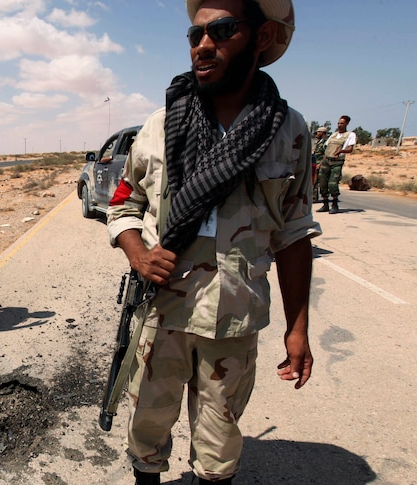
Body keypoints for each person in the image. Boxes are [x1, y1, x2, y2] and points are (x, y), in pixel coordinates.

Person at [106, 1, 320, 483]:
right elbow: (123, 203)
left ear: (261, 37)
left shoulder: (288, 131)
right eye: (194, 34)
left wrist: (298, 327)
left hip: (235, 317)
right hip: (163, 310)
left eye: (221, 30)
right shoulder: (161, 126)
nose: (203, 45)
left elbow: (295, 233)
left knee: (220, 447)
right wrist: (138, 254)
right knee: (147, 431)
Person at [317, 115, 356, 213]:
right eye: (338, 123)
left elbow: (350, 149)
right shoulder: (333, 135)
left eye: (342, 123)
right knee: (322, 183)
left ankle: (335, 204)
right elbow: (326, 148)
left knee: (332, 184)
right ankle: (325, 204)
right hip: (326, 161)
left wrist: (341, 151)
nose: (339, 125)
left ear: (347, 124)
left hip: (337, 162)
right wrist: (321, 162)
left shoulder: (350, 135)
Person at [312, 126, 328, 202]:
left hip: (321, 164)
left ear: (322, 132)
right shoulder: (319, 142)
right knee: (314, 181)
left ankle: (317, 198)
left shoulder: (326, 142)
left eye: (318, 132)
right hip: (315, 163)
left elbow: (326, 154)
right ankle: (313, 197)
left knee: (320, 181)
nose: (317, 134)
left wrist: (321, 163)